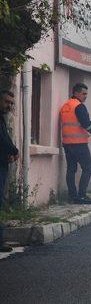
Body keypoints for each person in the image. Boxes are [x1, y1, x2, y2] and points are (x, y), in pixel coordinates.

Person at [60, 83, 91, 204]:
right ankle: (81, 196)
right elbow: (87, 124)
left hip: (67, 143)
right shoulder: (79, 106)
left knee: (71, 169)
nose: (86, 96)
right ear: (76, 93)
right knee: (88, 168)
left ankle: (72, 196)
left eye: (86, 94)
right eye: (84, 93)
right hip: (79, 143)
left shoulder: (66, 106)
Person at [0, 90, 18, 252]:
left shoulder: (3, 118)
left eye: (11, 103)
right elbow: (2, 139)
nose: (9, 106)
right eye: (6, 102)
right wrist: (14, 151)